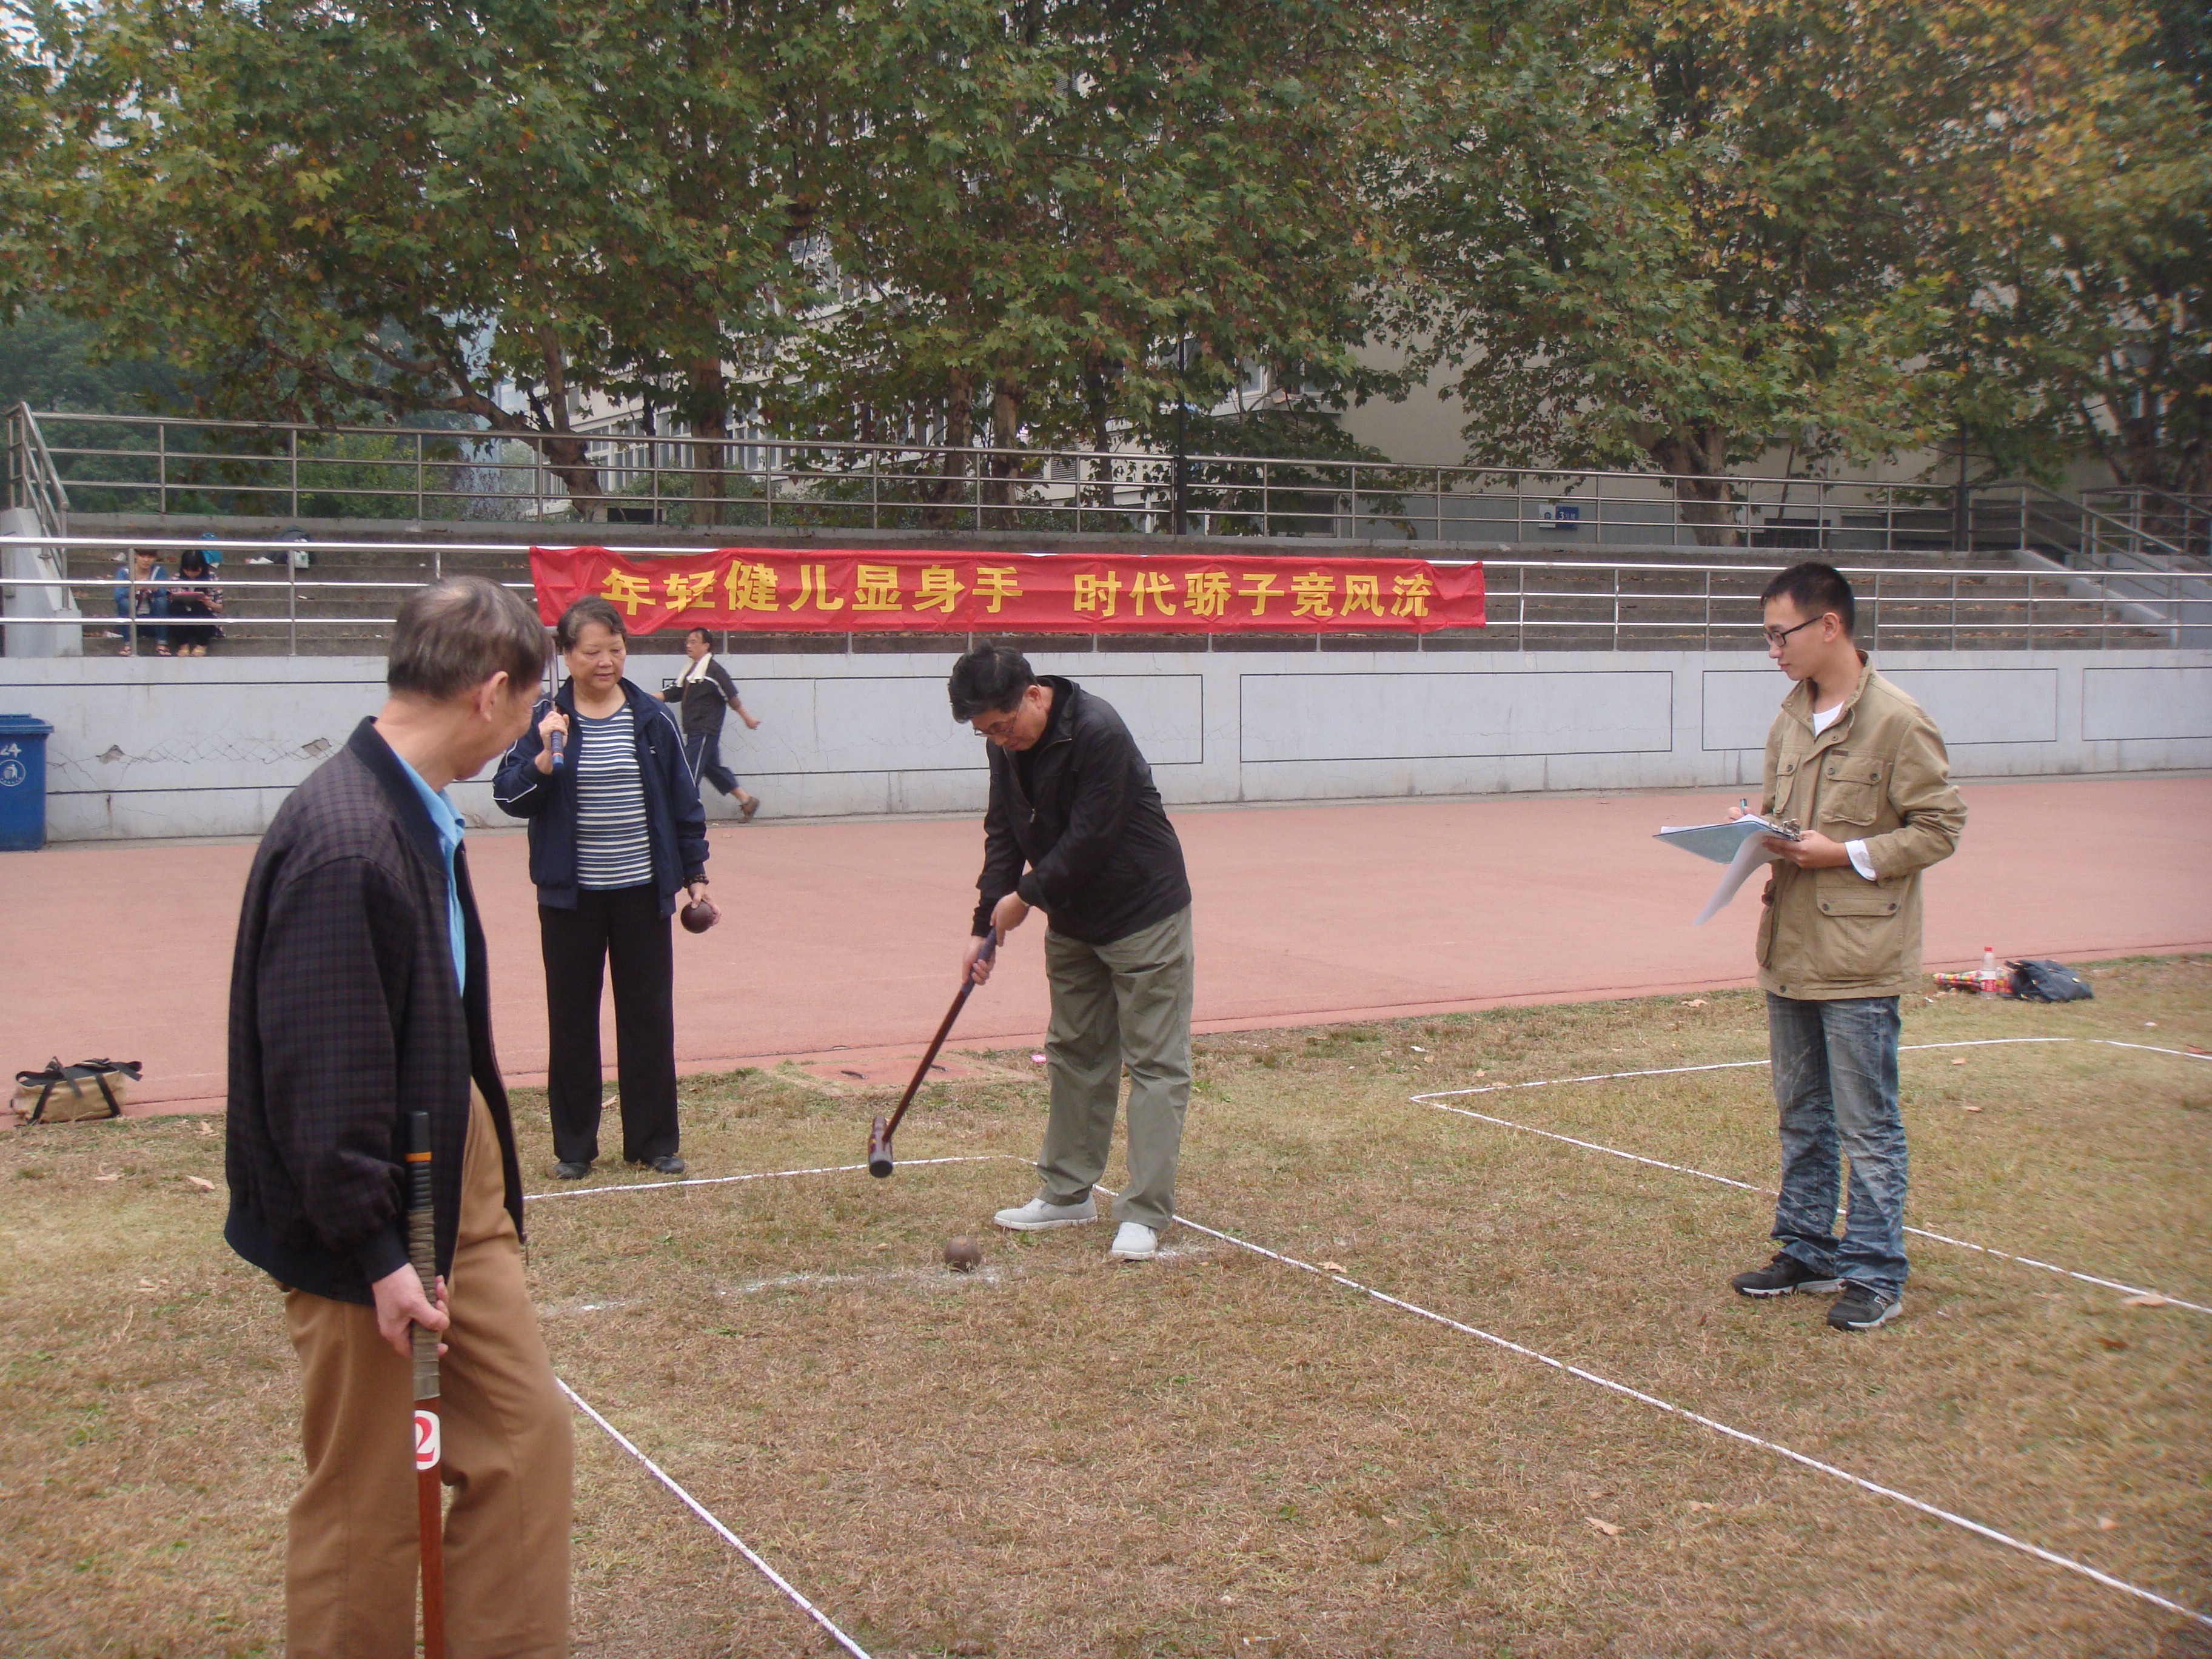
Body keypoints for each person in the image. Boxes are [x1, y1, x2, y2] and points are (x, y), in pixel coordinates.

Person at [224, 575, 572, 1657]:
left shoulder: (413, 809)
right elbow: (318, 1079)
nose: (528, 730)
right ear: (493, 692)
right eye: (528, 708)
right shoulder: (346, 837)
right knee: (368, 1501)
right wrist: (377, 1253)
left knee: (523, 1441)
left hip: (445, 1174)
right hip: (367, 1214)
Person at [1727, 562, 1966, 1332]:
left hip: (1860, 955)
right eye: (1767, 636)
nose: (1773, 650)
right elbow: (1783, 813)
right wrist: (1751, 831)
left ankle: (1874, 1269)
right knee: (1802, 1112)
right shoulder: (1789, 718)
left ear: (1830, 626)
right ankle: (1806, 1248)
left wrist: (1846, 853)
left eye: (1781, 633)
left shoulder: (1897, 720)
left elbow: (1939, 827)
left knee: (1868, 1121)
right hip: (1790, 943)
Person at [950, 643, 1195, 1264]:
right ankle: (1067, 1193)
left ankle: (1143, 1213)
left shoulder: (1098, 732)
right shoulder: (1004, 748)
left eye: (1004, 726)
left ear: (1033, 694)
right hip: (1075, 921)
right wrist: (985, 927)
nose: (1001, 741)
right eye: (988, 734)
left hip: (1144, 911)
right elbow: (1004, 833)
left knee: (1155, 1063)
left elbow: (1091, 838)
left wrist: (1025, 898)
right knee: (1075, 1052)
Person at [495, 595, 709, 1179]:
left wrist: (695, 878)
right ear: (565, 655)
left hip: (643, 893)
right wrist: (543, 758)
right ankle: (574, 1148)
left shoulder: (652, 717)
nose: (606, 661)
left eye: (616, 649)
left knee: (648, 1016)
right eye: (592, 651)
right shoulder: (545, 719)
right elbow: (507, 795)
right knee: (571, 1020)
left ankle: (654, 1141)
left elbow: (683, 806)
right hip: (570, 898)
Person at [661, 625, 762, 820]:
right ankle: (747, 800)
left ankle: (687, 816)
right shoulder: (691, 672)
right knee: (711, 768)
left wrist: (747, 718)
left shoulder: (714, 671)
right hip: (695, 729)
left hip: (705, 729)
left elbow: (731, 696)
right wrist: (642, 698)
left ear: (706, 646)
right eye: (687, 642)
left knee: (690, 772)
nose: (688, 646)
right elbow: (674, 693)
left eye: (693, 642)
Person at [111, 546, 170, 655]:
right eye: (143, 556)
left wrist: (154, 588)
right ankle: (128, 644)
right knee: (124, 603)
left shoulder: (159, 571)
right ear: (136, 556)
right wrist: (135, 588)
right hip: (132, 621)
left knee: (161, 601)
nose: (146, 560)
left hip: (153, 620)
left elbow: (163, 593)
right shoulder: (125, 572)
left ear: (155, 558)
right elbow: (117, 596)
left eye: (150, 557)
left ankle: (162, 643)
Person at [167, 546, 224, 655]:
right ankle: (183, 645)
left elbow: (220, 608)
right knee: (176, 607)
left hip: (204, 619)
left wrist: (209, 603)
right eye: (187, 570)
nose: (190, 574)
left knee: (199, 606)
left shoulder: (212, 579)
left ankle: (202, 645)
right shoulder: (175, 579)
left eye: (195, 570)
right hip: (182, 618)